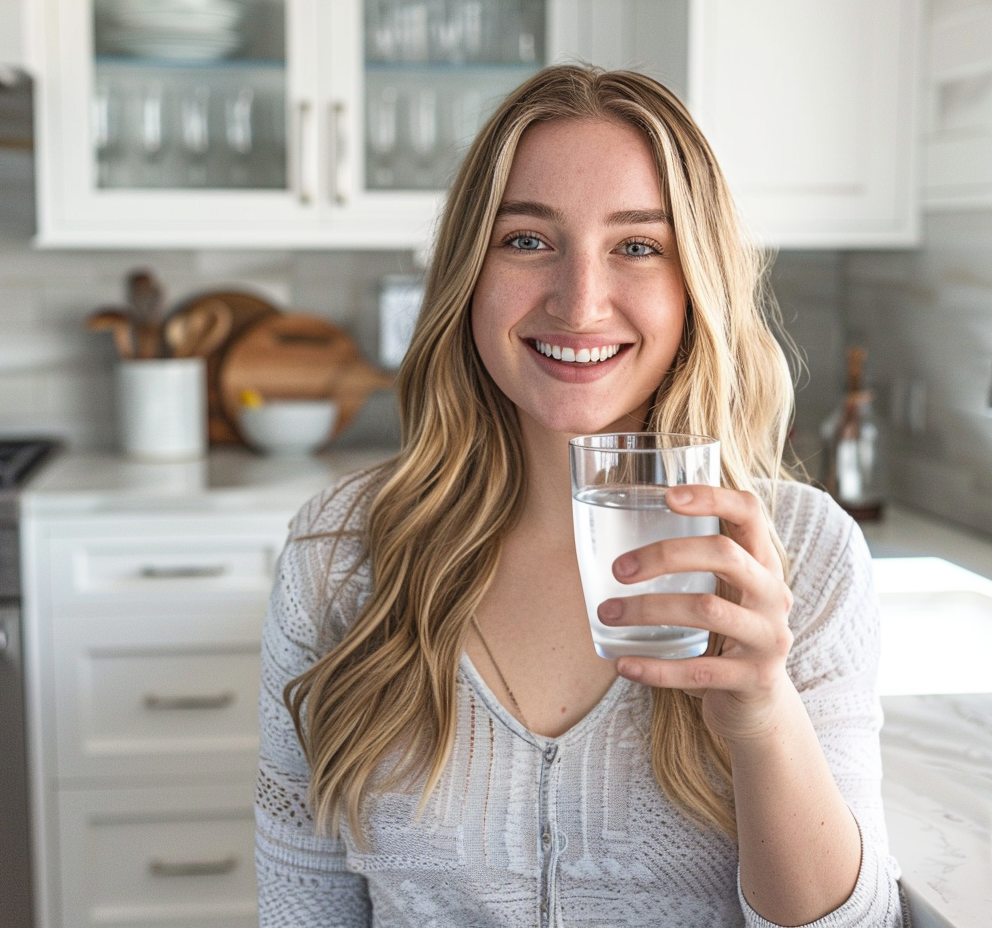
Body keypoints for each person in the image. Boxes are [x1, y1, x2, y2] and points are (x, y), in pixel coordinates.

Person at [255, 65, 905, 928]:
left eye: (638, 246)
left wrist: (760, 714)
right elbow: (302, 898)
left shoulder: (804, 556)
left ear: (693, 284)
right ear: (469, 272)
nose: (579, 302)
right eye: (527, 240)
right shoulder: (340, 552)